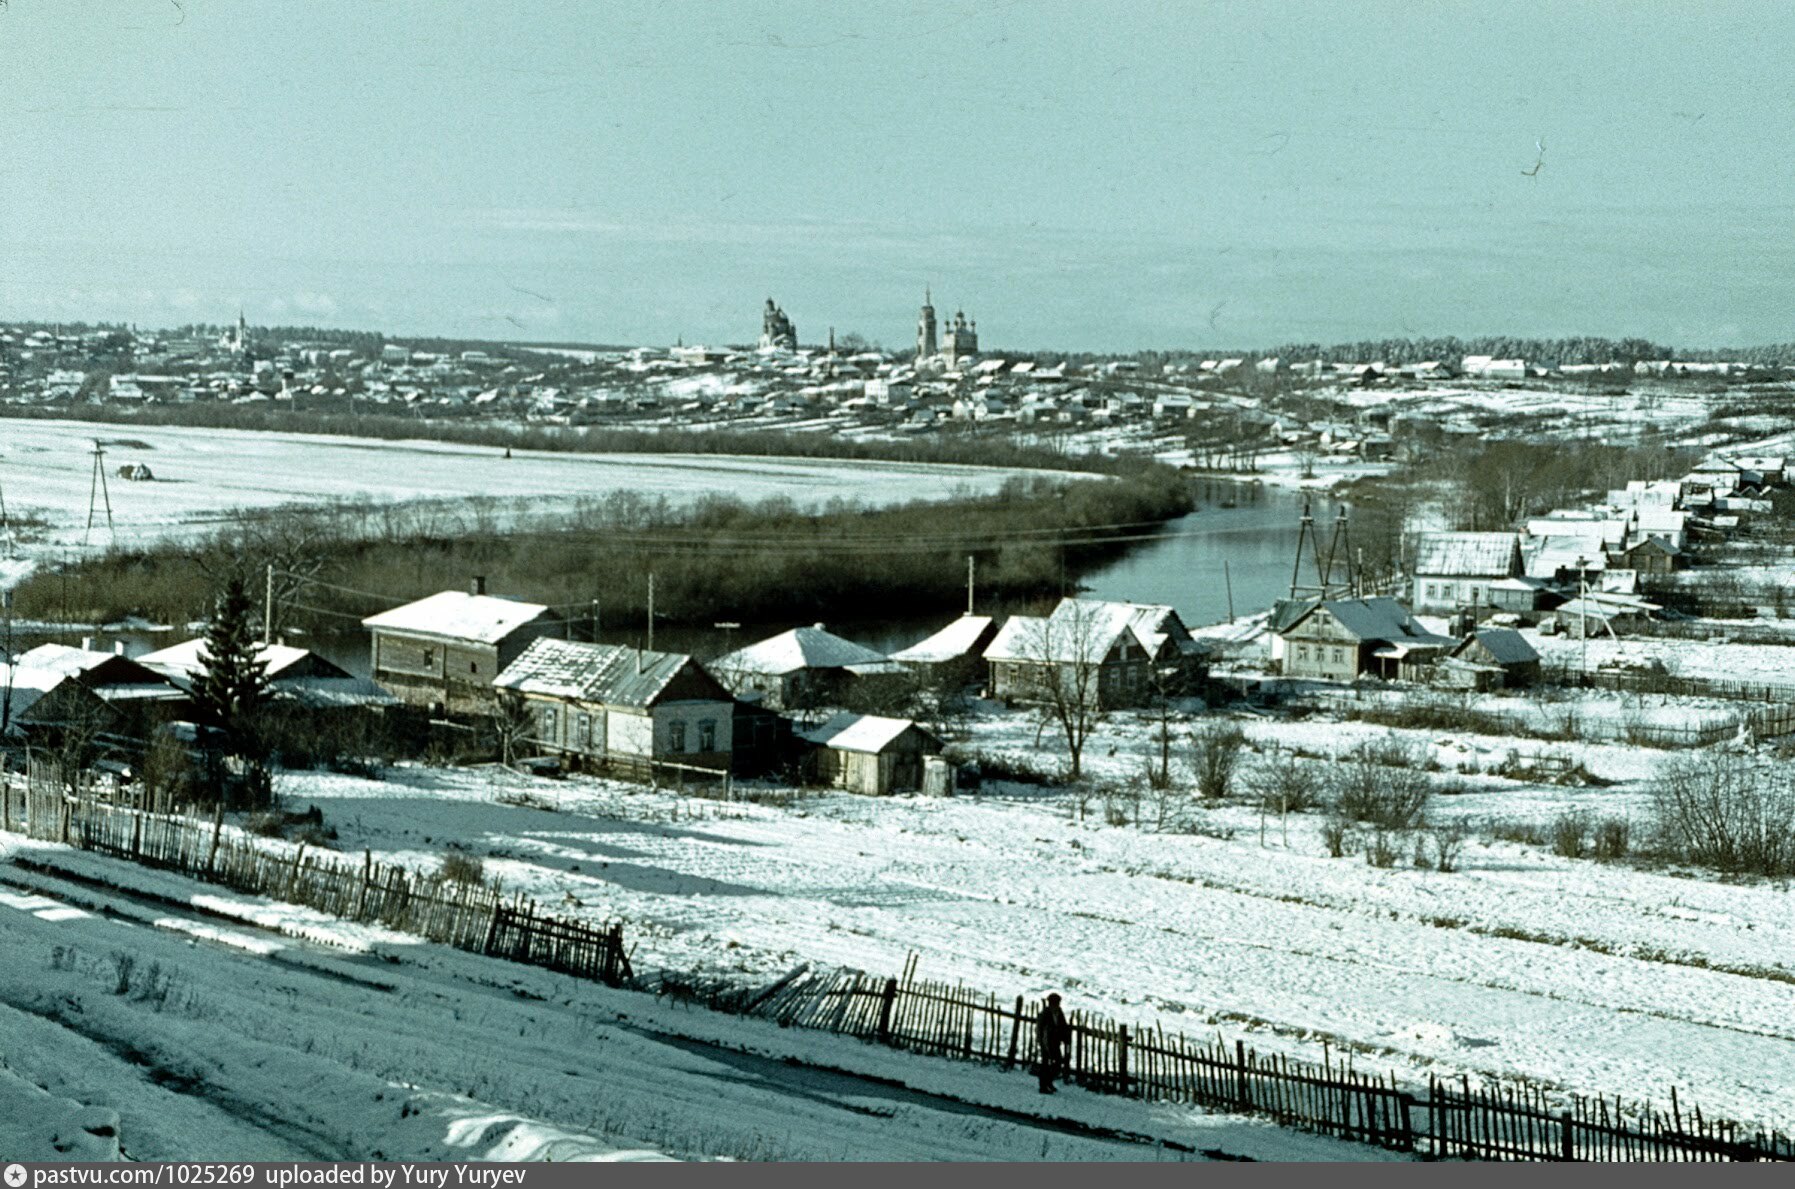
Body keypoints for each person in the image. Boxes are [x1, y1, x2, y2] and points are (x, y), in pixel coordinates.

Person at [1035, 993, 1070, 1094]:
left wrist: (1065, 1037)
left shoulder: (1059, 1012)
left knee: (1057, 1063)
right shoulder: (1045, 1014)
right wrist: (1041, 1042)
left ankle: (1049, 1082)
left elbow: (1063, 1025)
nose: (1057, 1005)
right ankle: (1043, 1087)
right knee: (1045, 1065)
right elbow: (1039, 1029)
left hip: (1055, 1043)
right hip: (1046, 1043)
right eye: (1056, 1003)